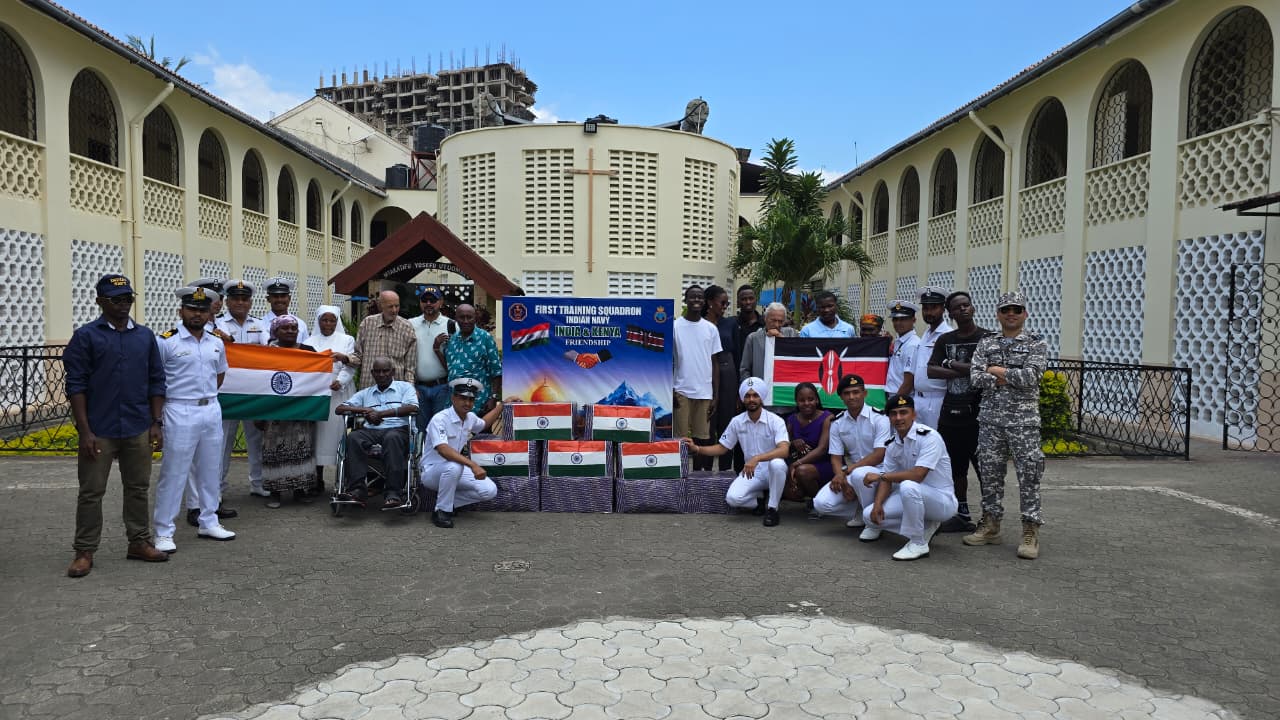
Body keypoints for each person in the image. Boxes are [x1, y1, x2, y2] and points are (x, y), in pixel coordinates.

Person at [63, 274, 169, 577]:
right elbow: (76, 385)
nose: (124, 305)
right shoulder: (86, 336)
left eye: (128, 298)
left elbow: (156, 380)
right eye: (116, 299)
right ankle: (84, 550)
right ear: (99, 301)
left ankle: (138, 542)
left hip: (137, 425)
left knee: (137, 488)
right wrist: (85, 431)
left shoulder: (145, 336)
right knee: (92, 491)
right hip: (100, 429)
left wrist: (156, 423)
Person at [965, 291, 1049, 560]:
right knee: (989, 476)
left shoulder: (1037, 344)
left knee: (1029, 476)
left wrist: (997, 371)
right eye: (1005, 310)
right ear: (998, 314)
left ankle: (1030, 530)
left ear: (1025, 314)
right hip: (990, 420)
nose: (1011, 313)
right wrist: (1006, 375)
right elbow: (975, 377)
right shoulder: (986, 343)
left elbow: (1032, 376)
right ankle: (991, 525)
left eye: (1016, 309)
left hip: (1023, 422)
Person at [152, 286, 234, 553]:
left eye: (202, 310)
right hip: (179, 409)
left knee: (211, 469)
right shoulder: (166, 341)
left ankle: (208, 520)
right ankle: (164, 530)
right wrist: (157, 420)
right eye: (192, 309)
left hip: (210, 407)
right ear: (181, 311)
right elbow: (155, 381)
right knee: (174, 472)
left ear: (210, 313)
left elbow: (219, 375)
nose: (197, 314)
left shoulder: (216, 342)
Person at [185, 278, 268, 527]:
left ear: (250, 302)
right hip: (225, 394)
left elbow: (268, 354)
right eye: (235, 299)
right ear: (227, 302)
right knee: (221, 445)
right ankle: (216, 492)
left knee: (257, 440)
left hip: (253, 393)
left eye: (244, 299)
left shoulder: (260, 325)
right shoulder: (216, 326)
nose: (240, 303)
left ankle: (259, 483)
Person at [861, 393, 957, 561]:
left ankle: (918, 543)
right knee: (869, 516)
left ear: (914, 414)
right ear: (889, 417)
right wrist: (877, 504)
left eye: (903, 412)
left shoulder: (929, 437)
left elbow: (918, 475)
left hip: (942, 501)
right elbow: (887, 480)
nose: (898, 418)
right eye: (893, 414)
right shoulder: (892, 443)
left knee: (908, 485)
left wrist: (881, 475)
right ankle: (926, 526)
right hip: (913, 495)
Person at [685, 377, 790, 527]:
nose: (751, 399)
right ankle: (759, 501)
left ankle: (772, 509)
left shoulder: (776, 420)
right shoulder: (737, 421)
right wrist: (698, 449)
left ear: (761, 398)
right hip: (752, 472)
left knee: (778, 464)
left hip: (773, 471)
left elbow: (784, 450)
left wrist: (757, 458)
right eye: (747, 396)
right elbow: (722, 448)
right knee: (733, 499)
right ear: (742, 399)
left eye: (755, 395)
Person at [927, 291, 992, 533]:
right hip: (951, 413)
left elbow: (988, 370)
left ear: (973, 308)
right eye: (957, 307)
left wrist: (951, 364)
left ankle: (989, 517)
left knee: (985, 468)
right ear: (950, 313)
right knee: (955, 469)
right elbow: (931, 371)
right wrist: (969, 370)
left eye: (967, 305)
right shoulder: (945, 340)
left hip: (981, 414)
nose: (963, 309)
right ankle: (961, 514)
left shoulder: (987, 338)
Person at [419, 378, 504, 528]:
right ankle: (441, 512)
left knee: (489, 490)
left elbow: (483, 424)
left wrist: (502, 405)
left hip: (453, 468)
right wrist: (472, 465)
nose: (467, 403)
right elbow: (443, 450)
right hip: (432, 471)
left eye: (471, 399)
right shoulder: (439, 419)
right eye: (463, 398)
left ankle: (449, 502)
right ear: (453, 398)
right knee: (454, 466)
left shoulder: (470, 418)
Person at [335, 357, 419, 509]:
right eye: (378, 371)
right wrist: (365, 410)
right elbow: (339, 409)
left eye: (385, 371)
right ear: (372, 373)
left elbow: (413, 408)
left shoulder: (405, 388)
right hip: (371, 431)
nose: (381, 374)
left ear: (392, 372)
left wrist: (381, 414)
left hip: (398, 430)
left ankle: (393, 492)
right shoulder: (365, 393)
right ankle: (357, 490)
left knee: (392, 438)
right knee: (353, 437)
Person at [812, 374, 891, 535]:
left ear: (865, 393)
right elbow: (835, 456)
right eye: (847, 393)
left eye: (856, 392)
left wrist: (846, 471)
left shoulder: (880, 418)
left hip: (881, 472)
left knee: (858, 474)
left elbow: (879, 454)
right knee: (821, 503)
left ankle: (873, 523)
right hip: (855, 474)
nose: (852, 396)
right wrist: (841, 478)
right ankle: (861, 510)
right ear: (841, 397)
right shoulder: (838, 422)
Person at [256, 315, 317, 508]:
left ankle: (300, 491)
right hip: (274, 412)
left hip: (300, 411)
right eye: (285, 328)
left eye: (293, 327)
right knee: (275, 450)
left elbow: (318, 376)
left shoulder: (308, 351)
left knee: (300, 449)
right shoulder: (266, 352)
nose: (290, 331)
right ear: (276, 331)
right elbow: (257, 383)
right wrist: (259, 413)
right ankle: (275, 492)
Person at [673, 285, 722, 470]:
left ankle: (698, 477)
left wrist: (715, 396)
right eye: (692, 297)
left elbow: (715, 363)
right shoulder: (675, 326)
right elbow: (668, 360)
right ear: (685, 300)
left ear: (705, 302)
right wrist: (670, 389)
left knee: (702, 439)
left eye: (700, 298)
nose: (696, 300)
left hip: (704, 392)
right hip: (681, 390)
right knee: (682, 439)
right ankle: (681, 475)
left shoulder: (710, 329)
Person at [310, 304, 356, 497]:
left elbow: (351, 364)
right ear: (318, 321)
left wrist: (340, 381)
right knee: (318, 437)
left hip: (340, 393)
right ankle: (317, 479)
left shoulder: (347, 339)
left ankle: (341, 478)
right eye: (324, 320)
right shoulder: (308, 341)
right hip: (318, 395)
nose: (328, 324)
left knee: (340, 436)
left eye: (331, 320)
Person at [344, 289, 416, 390]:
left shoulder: (407, 328)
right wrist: (346, 359)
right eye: (390, 306)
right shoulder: (367, 324)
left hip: (395, 390)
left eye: (397, 306)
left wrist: (410, 389)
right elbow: (358, 356)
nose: (394, 310)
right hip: (369, 387)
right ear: (381, 306)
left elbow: (410, 368)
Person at [409, 285, 456, 429]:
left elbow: (455, 359)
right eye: (425, 300)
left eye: (433, 300)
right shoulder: (410, 324)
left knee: (440, 428)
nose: (428, 304)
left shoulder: (451, 325)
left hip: (442, 387)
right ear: (420, 302)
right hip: (418, 387)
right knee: (420, 429)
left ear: (441, 302)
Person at [704, 285, 739, 472]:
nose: (725, 306)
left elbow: (738, 354)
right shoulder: (699, 322)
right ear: (710, 302)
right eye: (722, 302)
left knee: (726, 425)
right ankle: (704, 473)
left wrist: (738, 390)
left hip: (728, 373)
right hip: (704, 374)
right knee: (707, 427)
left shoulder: (730, 324)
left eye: (727, 303)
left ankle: (725, 471)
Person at [443, 303, 502, 411]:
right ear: (456, 319)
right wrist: (437, 350)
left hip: (478, 402)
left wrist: (493, 397)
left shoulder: (485, 338)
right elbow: (450, 368)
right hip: (455, 404)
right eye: (462, 317)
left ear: (475, 318)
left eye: (469, 317)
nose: (465, 321)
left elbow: (497, 371)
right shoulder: (452, 340)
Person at [784, 382, 833, 508]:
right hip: (800, 463)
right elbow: (784, 444)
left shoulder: (827, 417)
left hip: (825, 463)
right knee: (791, 494)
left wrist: (796, 464)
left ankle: (819, 503)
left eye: (810, 399)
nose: (806, 403)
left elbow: (822, 449)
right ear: (796, 401)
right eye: (802, 400)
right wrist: (793, 442)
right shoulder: (792, 419)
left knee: (802, 472)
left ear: (816, 400)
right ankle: (808, 492)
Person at [912, 287, 951, 429]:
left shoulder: (948, 335)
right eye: (926, 308)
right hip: (918, 398)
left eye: (934, 308)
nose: (929, 312)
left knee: (934, 443)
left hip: (936, 400)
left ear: (943, 309)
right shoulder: (926, 334)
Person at [886, 300, 920, 397]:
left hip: (902, 396)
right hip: (894, 394)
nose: (898, 323)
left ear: (913, 320)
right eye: (895, 319)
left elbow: (908, 382)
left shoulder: (912, 344)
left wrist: (895, 403)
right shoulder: (900, 341)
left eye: (903, 319)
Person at [264, 277, 309, 343]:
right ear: (268, 299)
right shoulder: (259, 325)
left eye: (283, 296)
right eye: (275, 296)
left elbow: (305, 351)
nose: (279, 300)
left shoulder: (301, 324)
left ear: (289, 298)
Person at [734, 285, 763, 363]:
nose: (748, 302)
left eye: (751, 298)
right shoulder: (732, 324)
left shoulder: (766, 323)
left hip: (760, 371)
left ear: (756, 300)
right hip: (737, 372)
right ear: (738, 302)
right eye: (744, 299)